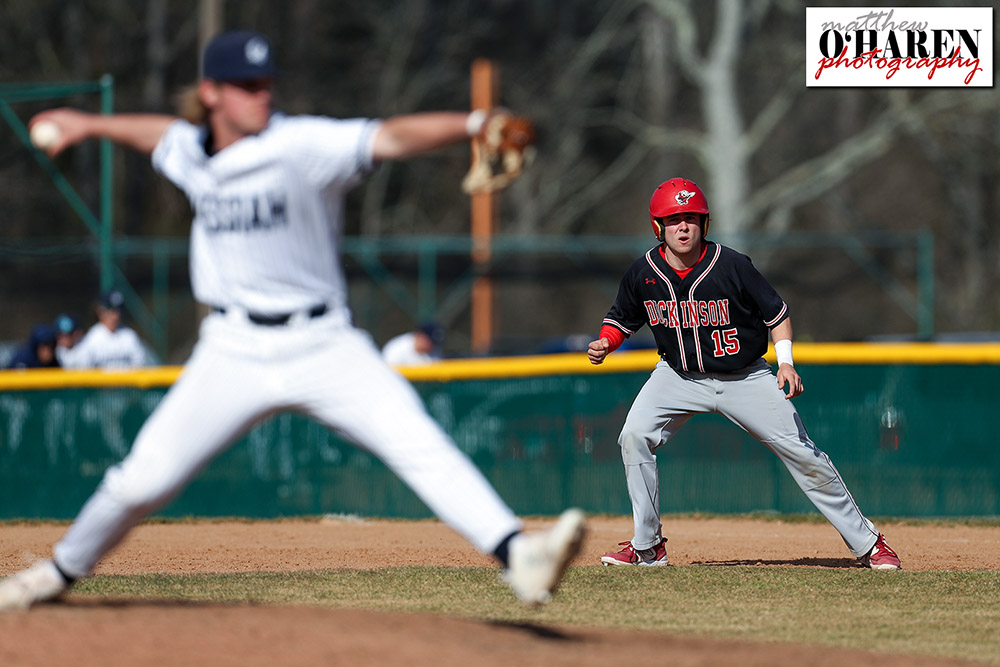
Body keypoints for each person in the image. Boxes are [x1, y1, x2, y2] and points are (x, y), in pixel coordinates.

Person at [0, 29, 583, 612]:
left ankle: (517, 555)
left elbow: (389, 136)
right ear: (211, 93)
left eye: (266, 83)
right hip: (232, 347)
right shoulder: (191, 151)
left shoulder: (302, 144)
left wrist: (472, 124)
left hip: (323, 343)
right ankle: (57, 571)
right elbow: (159, 136)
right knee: (142, 479)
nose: (261, 95)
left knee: (418, 442)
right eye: (246, 86)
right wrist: (86, 124)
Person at [589, 178, 900, 570]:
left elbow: (778, 315)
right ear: (658, 227)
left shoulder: (732, 265)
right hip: (677, 376)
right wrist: (605, 341)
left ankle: (869, 543)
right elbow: (622, 318)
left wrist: (785, 361)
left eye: (691, 218)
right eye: (673, 220)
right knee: (634, 436)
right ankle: (648, 548)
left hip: (746, 378)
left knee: (803, 454)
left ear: (705, 223)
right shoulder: (643, 272)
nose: (683, 227)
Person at [59, 289, 150, 369]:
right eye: (111, 310)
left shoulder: (130, 336)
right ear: (100, 311)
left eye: (118, 311)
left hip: (129, 387)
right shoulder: (91, 339)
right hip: (101, 388)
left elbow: (140, 366)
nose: (115, 316)